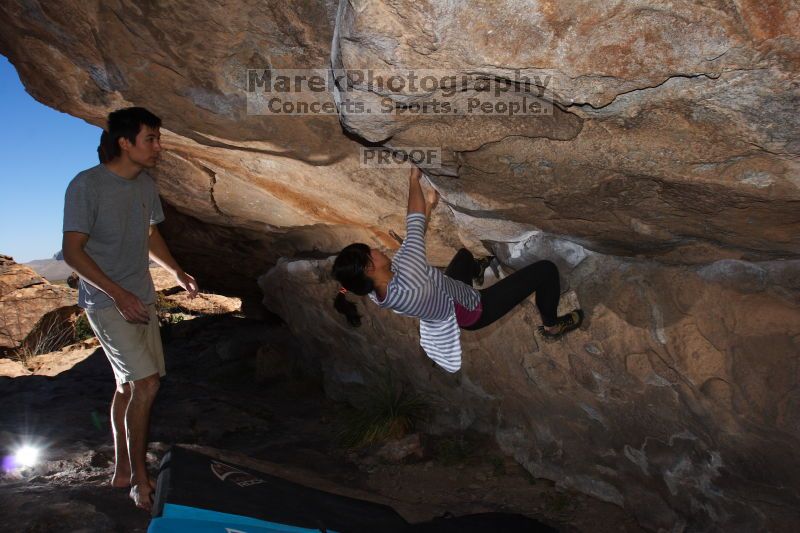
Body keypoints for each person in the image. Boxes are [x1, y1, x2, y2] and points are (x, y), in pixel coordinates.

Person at [62, 107, 198, 511]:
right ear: (125, 142)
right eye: (151, 138)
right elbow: (72, 252)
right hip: (107, 302)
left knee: (128, 385)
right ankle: (141, 480)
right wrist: (118, 294)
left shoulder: (144, 185)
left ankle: (123, 467)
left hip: (142, 297)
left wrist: (175, 270)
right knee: (148, 383)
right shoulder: (87, 186)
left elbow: (150, 233)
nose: (159, 146)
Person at [332, 166, 583, 373]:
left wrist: (430, 205)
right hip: (474, 309)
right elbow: (415, 221)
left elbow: (414, 238)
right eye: (370, 251)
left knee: (464, 257)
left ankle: (477, 271)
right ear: (369, 267)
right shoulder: (410, 272)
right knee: (546, 271)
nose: (376, 249)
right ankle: (552, 326)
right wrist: (413, 178)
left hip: (444, 297)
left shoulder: (376, 293)